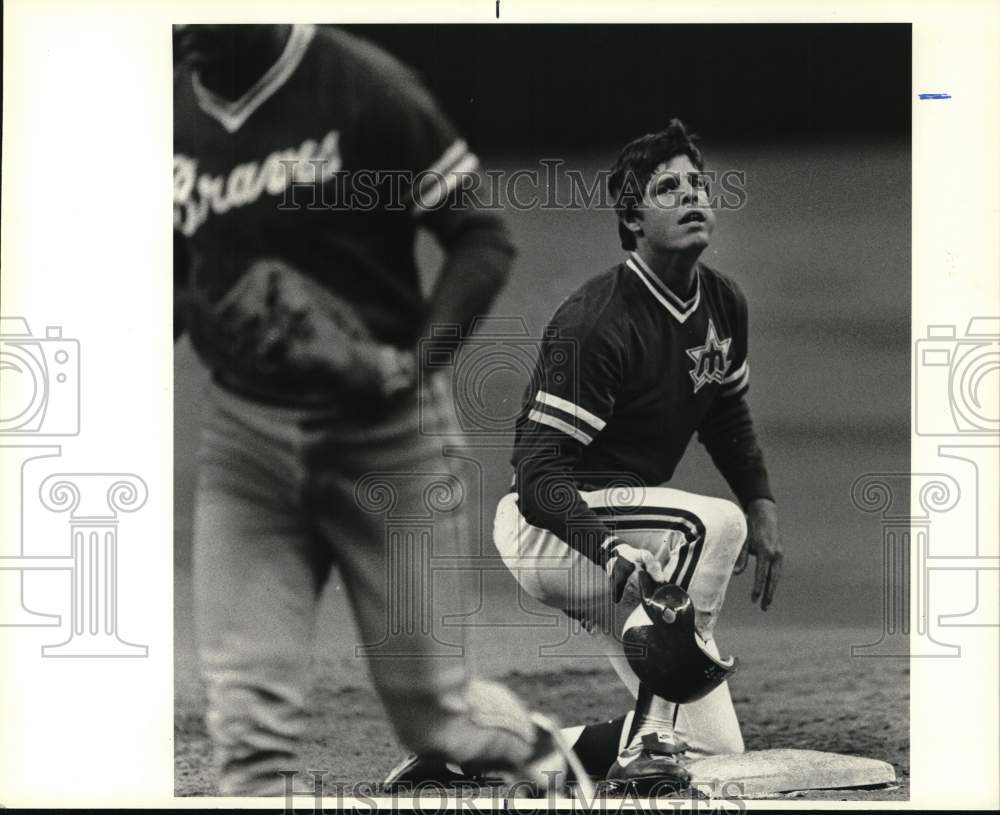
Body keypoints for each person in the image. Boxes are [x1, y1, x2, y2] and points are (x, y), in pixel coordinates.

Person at [173, 23, 582, 797]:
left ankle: (543, 755)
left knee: (440, 720)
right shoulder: (169, 113)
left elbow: (480, 237)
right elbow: (173, 278)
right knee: (248, 745)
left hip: (387, 441)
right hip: (244, 447)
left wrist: (415, 365)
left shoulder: (365, 89)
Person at [387, 121, 784, 794]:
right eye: (667, 188)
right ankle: (648, 738)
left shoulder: (722, 301)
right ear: (632, 217)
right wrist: (609, 550)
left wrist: (763, 499)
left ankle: (482, 750)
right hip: (551, 528)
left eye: (697, 183)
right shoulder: (598, 321)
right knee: (710, 527)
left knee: (713, 747)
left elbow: (722, 409)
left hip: (623, 535)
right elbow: (538, 478)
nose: (691, 196)